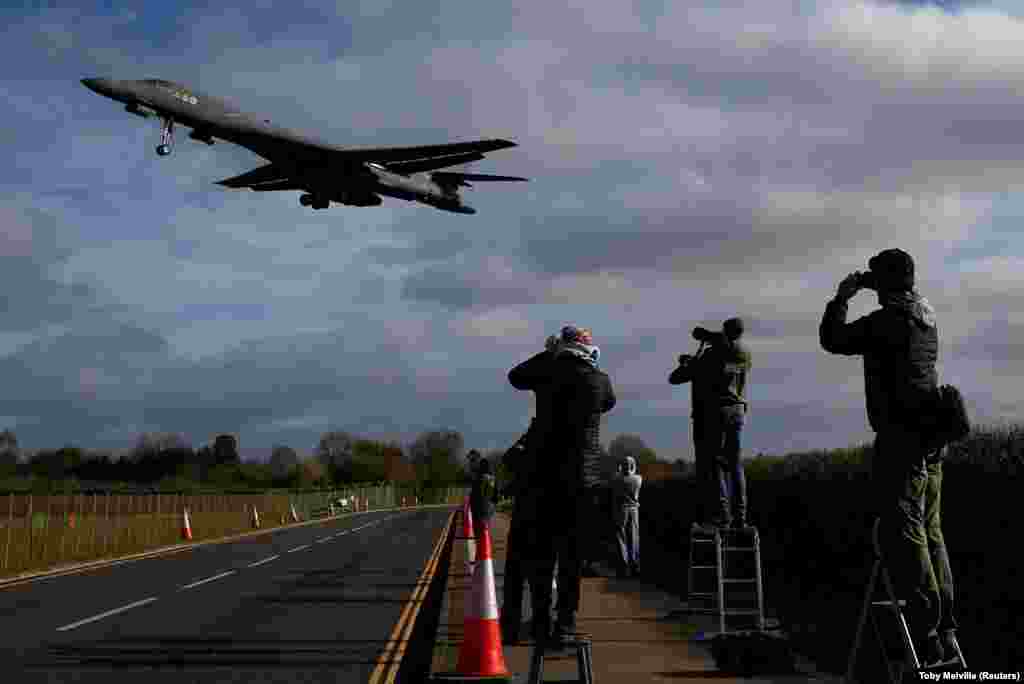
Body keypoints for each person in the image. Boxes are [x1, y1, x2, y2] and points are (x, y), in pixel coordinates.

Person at [819, 248, 956, 666]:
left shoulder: (886, 322)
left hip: (901, 440)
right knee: (932, 531)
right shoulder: (924, 315)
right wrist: (874, 284)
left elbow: (834, 340)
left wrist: (842, 296)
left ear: (885, 284)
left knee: (906, 531)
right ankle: (946, 626)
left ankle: (926, 626)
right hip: (932, 438)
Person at [509, 325, 616, 646]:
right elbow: (609, 403)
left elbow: (515, 376)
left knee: (541, 556)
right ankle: (566, 623)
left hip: (543, 478)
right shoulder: (600, 379)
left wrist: (548, 353)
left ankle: (541, 619)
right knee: (572, 558)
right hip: (582, 480)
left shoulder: (547, 370)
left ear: (562, 346)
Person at [669, 317, 752, 529]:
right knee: (735, 465)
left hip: (718, 412)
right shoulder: (744, 355)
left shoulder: (713, 354)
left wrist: (692, 360)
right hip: (738, 411)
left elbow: (676, 378)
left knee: (715, 464)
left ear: (726, 334)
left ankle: (723, 515)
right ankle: (740, 516)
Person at [612, 456, 642, 578]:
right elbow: (633, 473)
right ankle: (635, 566)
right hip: (634, 510)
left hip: (622, 509)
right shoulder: (638, 479)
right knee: (634, 537)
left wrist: (619, 470)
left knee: (621, 537)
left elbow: (616, 477)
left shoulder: (618, 479)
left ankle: (623, 567)